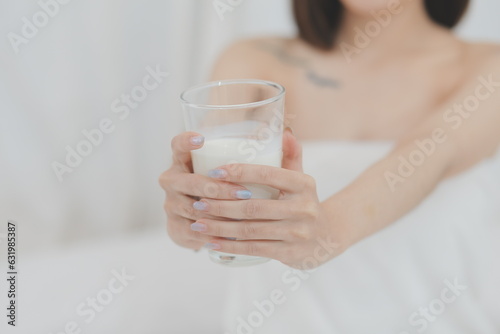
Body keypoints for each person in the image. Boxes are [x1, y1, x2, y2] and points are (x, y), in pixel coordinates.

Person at [159, 0, 500, 332]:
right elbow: (212, 190)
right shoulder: (255, 62)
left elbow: (431, 153)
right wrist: (191, 217)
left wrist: (327, 232)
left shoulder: (486, 66)